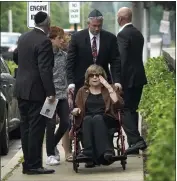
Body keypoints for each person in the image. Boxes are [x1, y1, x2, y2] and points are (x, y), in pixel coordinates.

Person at [15, 11, 56, 174]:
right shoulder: (44, 42)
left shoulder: (23, 38)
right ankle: (35, 165)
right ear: (47, 24)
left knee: (25, 128)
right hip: (36, 91)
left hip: (21, 89)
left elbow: (16, 57)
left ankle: (28, 163)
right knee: (36, 129)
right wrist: (50, 92)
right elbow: (44, 69)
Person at [70, 64, 124, 167]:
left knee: (97, 118)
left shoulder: (109, 89)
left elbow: (119, 104)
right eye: (92, 75)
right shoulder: (82, 91)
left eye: (98, 75)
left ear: (102, 77)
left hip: (107, 117)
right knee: (88, 119)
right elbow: (78, 107)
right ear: (88, 77)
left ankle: (107, 151)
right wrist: (75, 110)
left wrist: (108, 86)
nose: (94, 77)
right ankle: (88, 152)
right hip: (88, 119)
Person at [66, 9, 122, 98]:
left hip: (103, 83)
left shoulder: (110, 38)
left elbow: (115, 61)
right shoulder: (77, 38)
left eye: (99, 26)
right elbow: (70, 62)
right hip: (82, 83)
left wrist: (117, 81)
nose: (97, 28)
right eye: (94, 26)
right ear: (88, 24)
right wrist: (70, 82)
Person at [117, 7, 147, 154]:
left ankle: (136, 140)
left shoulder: (123, 35)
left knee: (124, 109)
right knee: (132, 110)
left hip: (127, 79)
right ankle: (134, 146)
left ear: (121, 19)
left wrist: (118, 81)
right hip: (139, 77)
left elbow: (122, 59)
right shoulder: (138, 33)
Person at [46, 26, 72, 166]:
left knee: (66, 123)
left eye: (63, 38)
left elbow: (68, 74)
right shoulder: (45, 55)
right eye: (59, 38)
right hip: (50, 96)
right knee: (49, 124)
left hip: (62, 95)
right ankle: (50, 154)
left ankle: (52, 145)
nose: (62, 40)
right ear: (51, 39)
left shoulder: (64, 55)